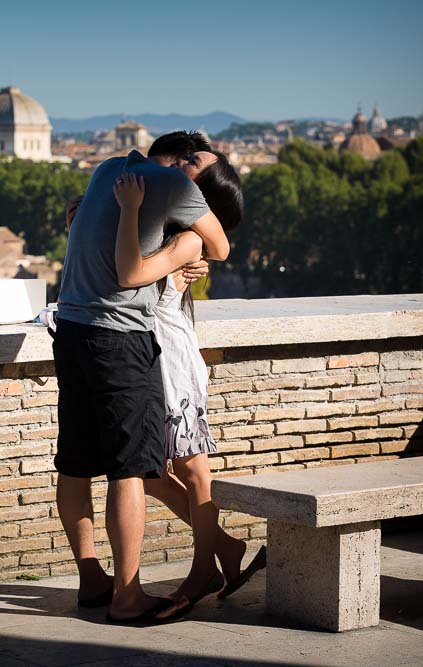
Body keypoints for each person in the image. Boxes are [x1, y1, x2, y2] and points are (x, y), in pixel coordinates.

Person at [54, 131, 231, 624]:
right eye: (195, 159)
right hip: (119, 338)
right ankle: (127, 596)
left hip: (70, 328)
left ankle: (92, 580)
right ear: (175, 160)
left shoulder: (106, 170)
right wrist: (186, 245)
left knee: (74, 461)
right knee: (129, 468)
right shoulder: (174, 187)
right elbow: (221, 246)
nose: (194, 169)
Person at [113, 160, 265, 620]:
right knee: (150, 473)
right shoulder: (174, 234)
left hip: (173, 367)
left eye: (188, 176)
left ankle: (205, 566)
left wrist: (127, 212)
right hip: (154, 362)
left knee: (190, 470)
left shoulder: (187, 240)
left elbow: (132, 275)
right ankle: (224, 549)